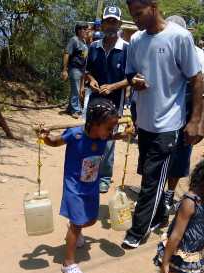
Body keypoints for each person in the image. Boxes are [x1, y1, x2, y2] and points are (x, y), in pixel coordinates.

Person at [122, 0, 204, 249]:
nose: (135, 19)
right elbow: (129, 73)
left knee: (152, 179)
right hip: (144, 121)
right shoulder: (136, 40)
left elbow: (196, 79)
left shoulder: (178, 37)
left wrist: (196, 121)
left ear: (154, 6)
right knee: (149, 175)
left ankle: (138, 230)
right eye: (132, 14)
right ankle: (158, 217)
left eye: (139, 13)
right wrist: (133, 80)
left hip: (168, 124)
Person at [38, 98, 130, 273]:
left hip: (91, 185)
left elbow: (111, 136)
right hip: (74, 187)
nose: (111, 132)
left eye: (113, 128)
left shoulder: (102, 135)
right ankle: (68, 263)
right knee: (77, 223)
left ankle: (75, 230)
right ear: (95, 124)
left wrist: (123, 135)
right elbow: (55, 142)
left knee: (90, 219)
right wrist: (46, 136)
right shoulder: (76, 134)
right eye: (109, 128)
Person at [163, 15, 204, 214]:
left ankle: (169, 193)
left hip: (185, 113)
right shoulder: (160, 47)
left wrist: (199, 123)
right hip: (162, 113)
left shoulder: (197, 54)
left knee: (179, 155)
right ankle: (155, 194)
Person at [85, 6, 129, 194]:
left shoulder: (127, 49)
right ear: (102, 25)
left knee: (109, 140)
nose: (110, 25)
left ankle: (104, 176)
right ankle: (89, 172)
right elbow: (87, 72)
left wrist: (112, 86)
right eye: (107, 22)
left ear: (119, 24)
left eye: (114, 22)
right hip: (94, 102)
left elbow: (131, 77)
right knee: (90, 136)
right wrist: (92, 81)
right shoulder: (94, 47)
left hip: (114, 104)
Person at [61, 23, 89, 119]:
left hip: (81, 70)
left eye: (86, 29)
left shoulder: (84, 42)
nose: (86, 31)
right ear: (79, 30)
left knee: (77, 90)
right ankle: (75, 110)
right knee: (76, 90)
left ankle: (70, 108)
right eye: (84, 29)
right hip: (74, 68)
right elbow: (67, 53)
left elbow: (84, 58)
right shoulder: (74, 40)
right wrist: (64, 70)